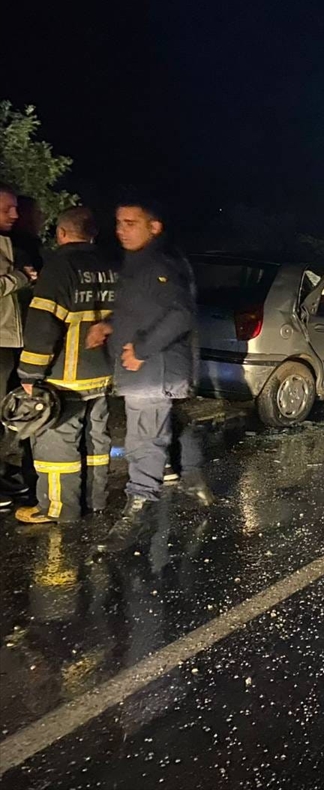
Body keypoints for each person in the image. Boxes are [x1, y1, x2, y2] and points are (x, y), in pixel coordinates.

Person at [88, 201, 210, 553]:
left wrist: (141, 350)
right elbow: (144, 310)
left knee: (143, 441)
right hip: (147, 369)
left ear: (154, 226)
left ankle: (137, 512)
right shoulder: (141, 262)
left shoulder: (159, 263)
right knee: (164, 425)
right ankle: (192, 475)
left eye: (130, 223)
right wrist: (110, 325)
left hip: (152, 371)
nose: (121, 230)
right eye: (118, 223)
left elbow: (180, 314)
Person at [11, 207, 117, 524]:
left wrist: (30, 373)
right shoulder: (111, 265)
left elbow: (44, 325)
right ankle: (95, 500)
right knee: (97, 440)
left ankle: (59, 509)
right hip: (104, 372)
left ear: (61, 233)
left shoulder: (60, 267)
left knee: (56, 444)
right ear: (93, 233)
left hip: (65, 377)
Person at [0, 183, 39, 509]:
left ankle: (11, 476)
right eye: (6, 209)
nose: (15, 215)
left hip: (12, 339)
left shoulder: (11, 241)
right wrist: (20, 278)